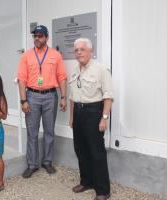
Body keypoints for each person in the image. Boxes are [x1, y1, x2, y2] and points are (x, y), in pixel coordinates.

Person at [17, 25, 67, 178]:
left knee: (49, 131)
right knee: (32, 132)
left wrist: (64, 97)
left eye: (40, 36)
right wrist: (23, 100)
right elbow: (21, 79)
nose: (36, 38)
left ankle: (47, 161)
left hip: (51, 96)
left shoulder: (55, 55)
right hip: (32, 96)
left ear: (47, 38)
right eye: (35, 36)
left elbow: (62, 77)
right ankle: (32, 165)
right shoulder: (26, 56)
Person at [69, 38, 114, 200]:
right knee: (80, 149)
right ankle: (86, 181)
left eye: (82, 49)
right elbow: (73, 97)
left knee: (97, 152)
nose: (79, 52)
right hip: (79, 113)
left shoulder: (101, 69)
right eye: (76, 50)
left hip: (94, 112)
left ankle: (102, 190)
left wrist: (104, 118)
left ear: (90, 51)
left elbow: (108, 96)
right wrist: (72, 116)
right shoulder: (75, 71)